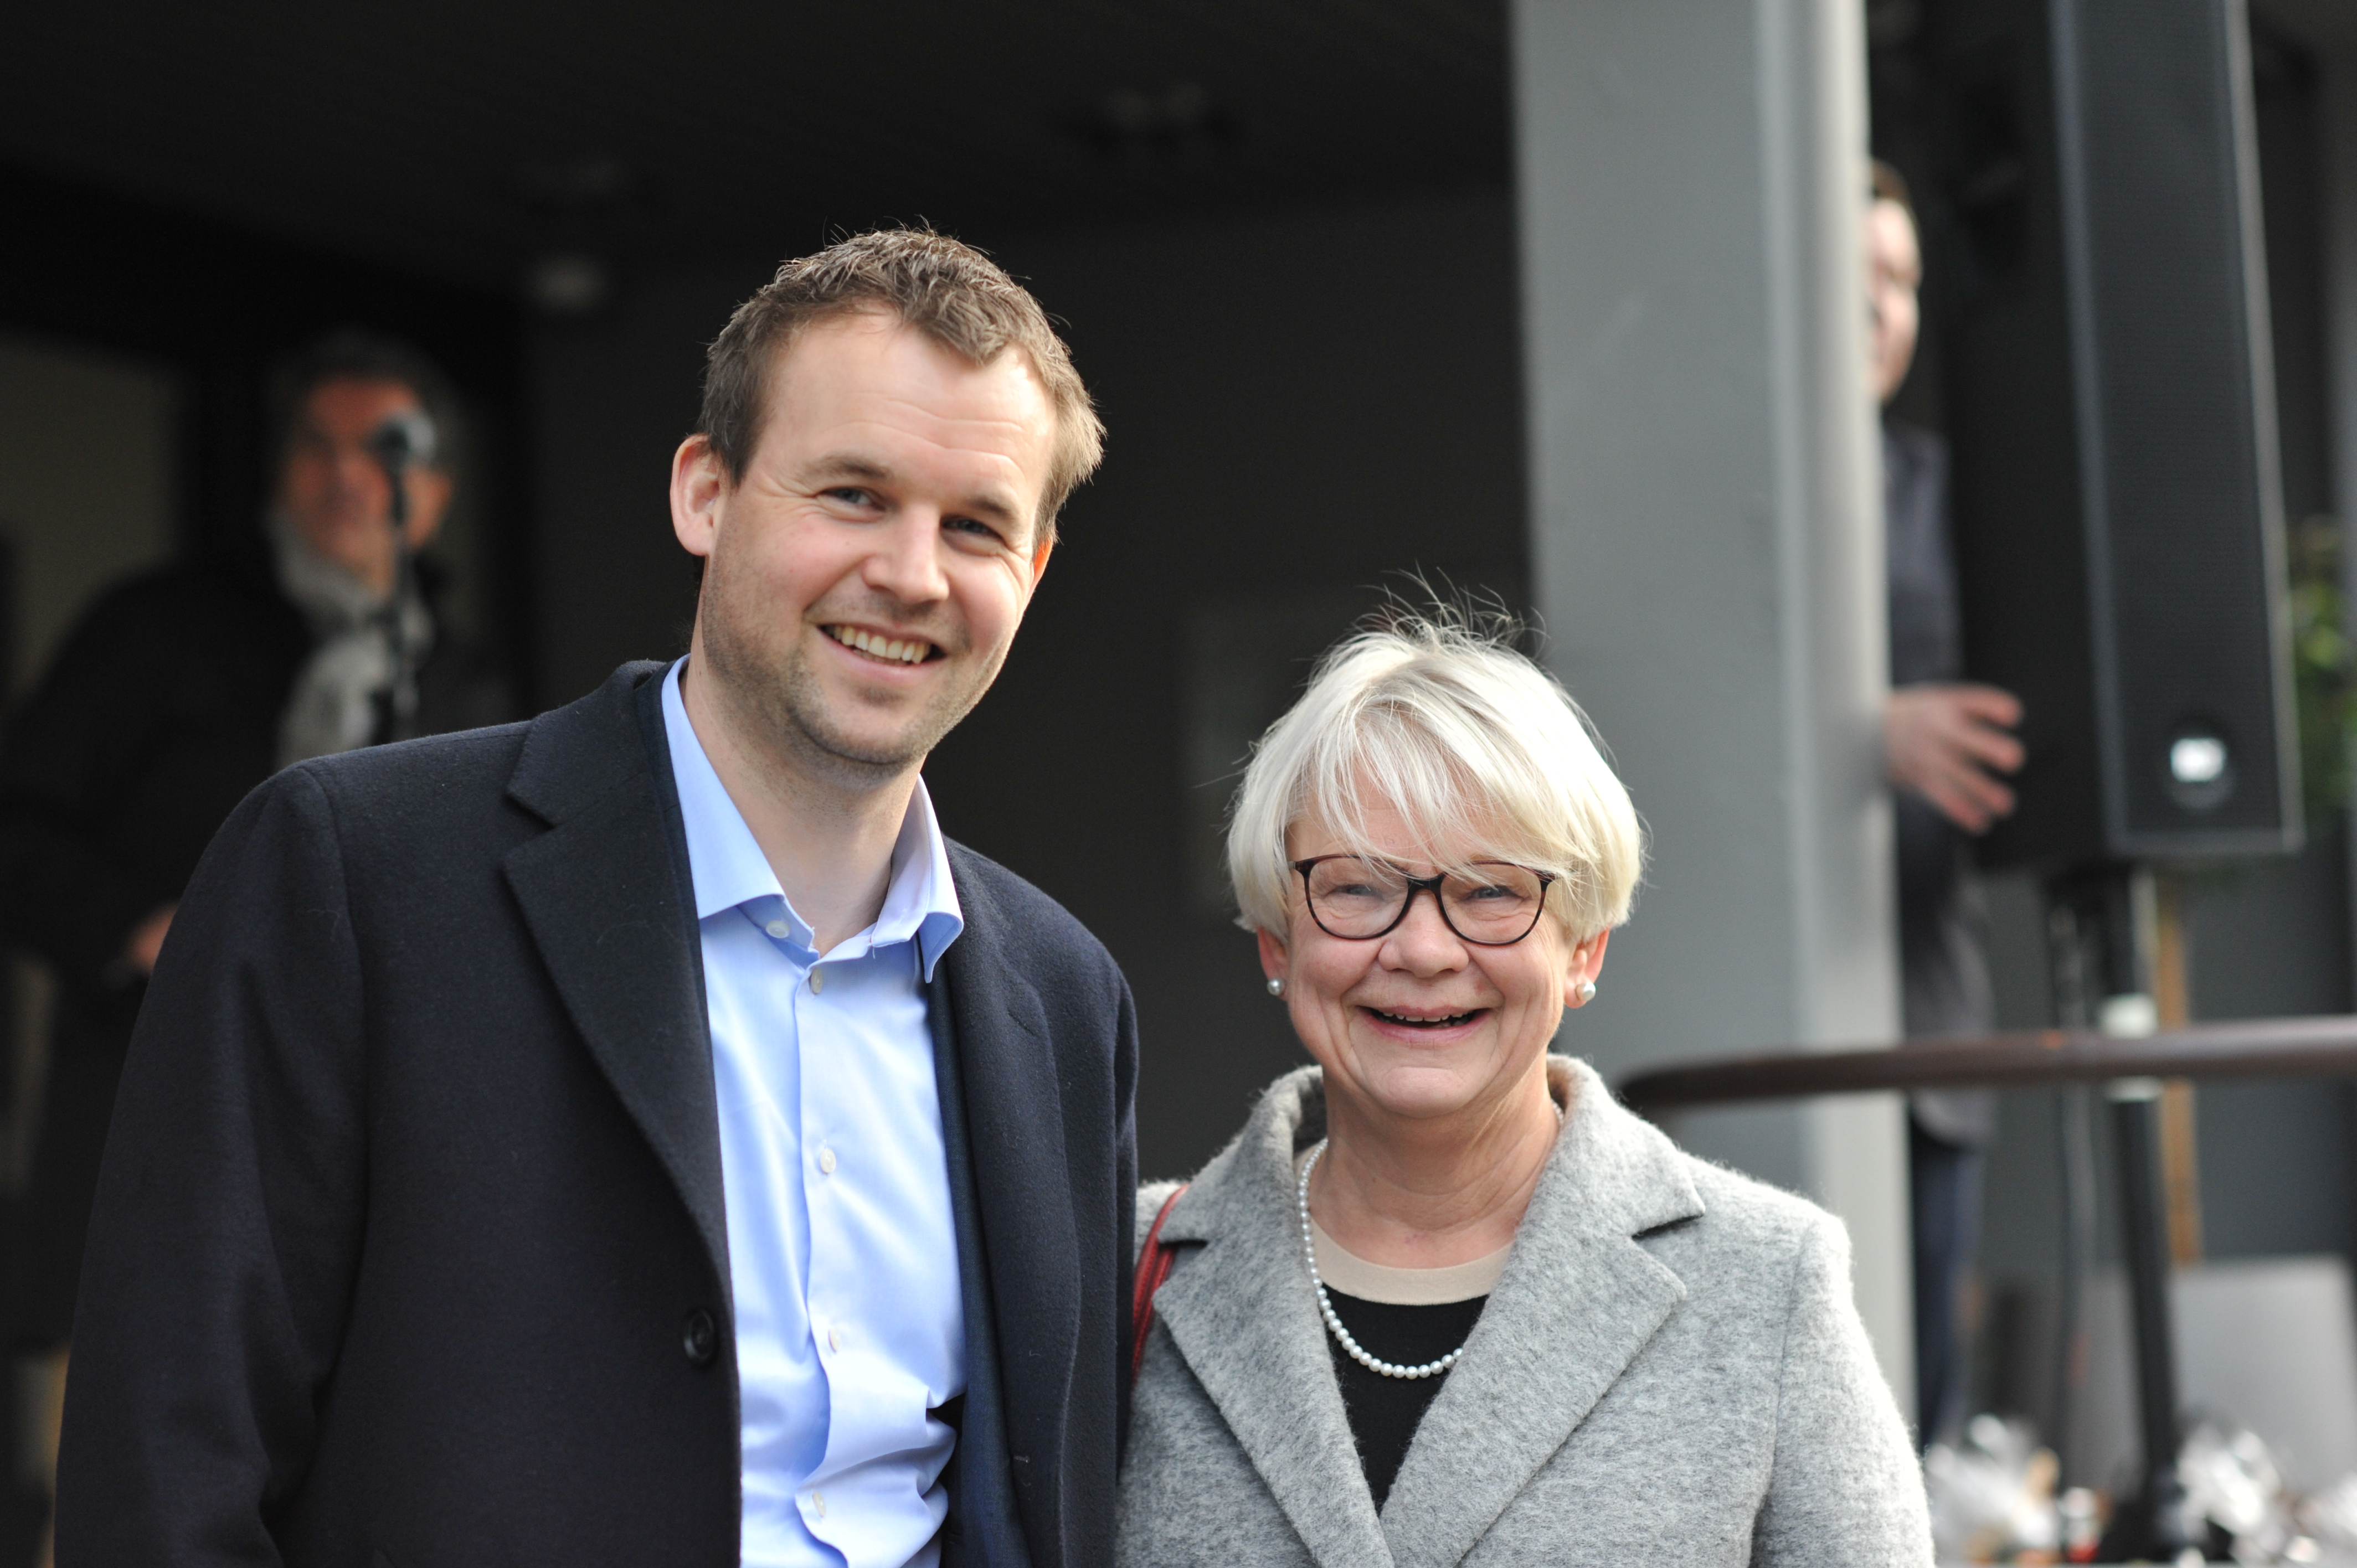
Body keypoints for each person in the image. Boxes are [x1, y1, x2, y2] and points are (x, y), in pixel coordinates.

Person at [55, 230, 1137, 1568]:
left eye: (974, 525)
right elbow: (166, 1473)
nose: (913, 573)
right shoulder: (350, 874)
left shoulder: (1067, 1000)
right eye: (852, 494)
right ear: (704, 493)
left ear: (1030, 572)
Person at [1118, 615, 1932, 1565]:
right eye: (1356, 888)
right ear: (1276, 940)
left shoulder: (1767, 1282)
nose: (1422, 950)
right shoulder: (1122, 1270)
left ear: (1584, 947)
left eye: (1493, 892)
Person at [0, 330, 510, 1358]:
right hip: (159, 1112)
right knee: (122, 1483)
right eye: (316, 446)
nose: (344, 475)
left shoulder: (460, 685)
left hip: (363, 1151)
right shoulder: (159, 627)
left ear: (439, 492)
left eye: (384, 448)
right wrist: (138, 931)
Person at [1868, 159, 2025, 1443]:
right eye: (1853, 276)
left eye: (1901, 279)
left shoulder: (1953, 494)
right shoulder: (1704, 507)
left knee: (1919, 1416)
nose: (1881, 306)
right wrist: (1857, 735)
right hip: (1756, 1014)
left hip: (1928, 1020)